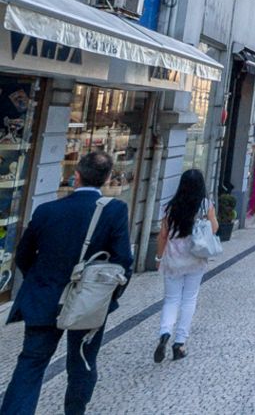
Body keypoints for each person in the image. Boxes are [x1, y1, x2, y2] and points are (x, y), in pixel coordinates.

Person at [1, 151, 133, 415]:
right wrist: (108, 296)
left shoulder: (46, 210)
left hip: (44, 299)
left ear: (76, 176)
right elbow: (123, 262)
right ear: (107, 178)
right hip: (89, 301)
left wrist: (40, 283)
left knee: (30, 364)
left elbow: (24, 256)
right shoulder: (115, 211)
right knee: (82, 363)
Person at [154, 169, 218, 362]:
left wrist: (158, 258)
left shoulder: (170, 207)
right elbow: (214, 228)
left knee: (171, 299)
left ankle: (165, 332)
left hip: (173, 259)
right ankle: (179, 342)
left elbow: (163, 236)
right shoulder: (205, 206)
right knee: (189, 299)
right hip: (195, 258)